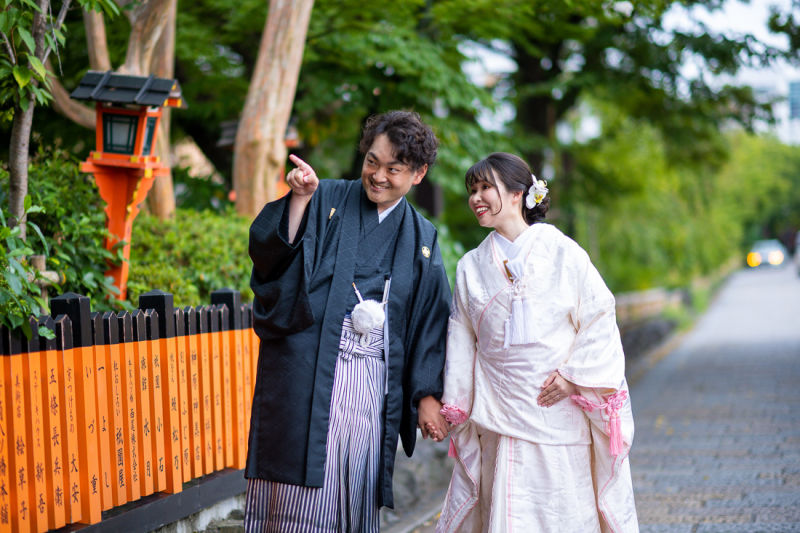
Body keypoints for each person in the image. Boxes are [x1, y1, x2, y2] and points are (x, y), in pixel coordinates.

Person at [245, 110, 452, 533]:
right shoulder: (327, 197)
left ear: (418, 173)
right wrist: (300, 200)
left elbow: (431, 319)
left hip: (373, 380)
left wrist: (427, 394)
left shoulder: (423, 236)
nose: (377, 176)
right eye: (371, 162)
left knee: (357, 473)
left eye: (393, 169)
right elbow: (271, 258)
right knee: (302, 477)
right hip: (312, 367)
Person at [434, 153, 639, 533]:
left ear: (517, 194)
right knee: (504, 507)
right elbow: (460, 337)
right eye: (472, 190)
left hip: (557, 407)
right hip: (499, 411)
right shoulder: (470, 266)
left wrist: (573, 377)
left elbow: (599, 316)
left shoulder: (564, 253)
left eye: (485, 188)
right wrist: (456, 404)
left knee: (562, 509)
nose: (476, 197)